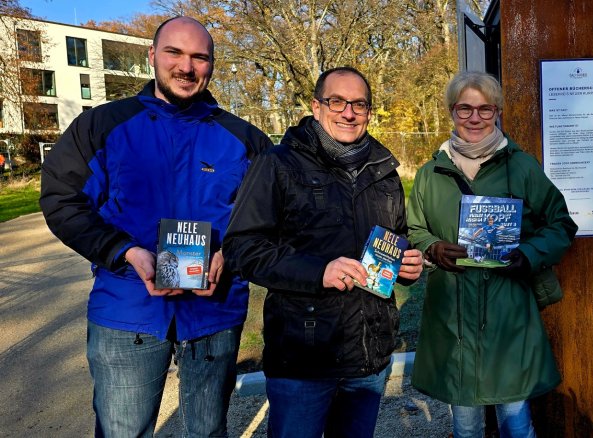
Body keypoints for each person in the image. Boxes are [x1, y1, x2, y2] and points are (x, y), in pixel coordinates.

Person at [39, 16, 272, 437]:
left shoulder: (245, 139)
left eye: (199, 57)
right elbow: (62, 199)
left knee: (207, 431)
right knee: (124, 432)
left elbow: (272, 215)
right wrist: (124, 251)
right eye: (174, 52)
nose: (186, 66)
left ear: (212, 64)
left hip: (214, 310)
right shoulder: (103, 126)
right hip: (127, 307)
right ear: (151, 55)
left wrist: (232, 253)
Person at [222, 66, 424, 438]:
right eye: (337, 102)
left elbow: (395, 239)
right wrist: (319, 272)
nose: (349, 112)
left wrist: (407, 264)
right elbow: (241, 248)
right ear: (316, 107)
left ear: (368, 112)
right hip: (304, 359)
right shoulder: (278, 164)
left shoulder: (384, 172)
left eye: (359, 104)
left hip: (367, 356)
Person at [407, 71, 577, 438]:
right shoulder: (430, 174)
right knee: (466, 427)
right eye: (464, 109)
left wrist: (528, 254)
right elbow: (414, 228)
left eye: (485, 109)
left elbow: (561, 224)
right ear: (452, 112)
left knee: (517, 424)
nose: (475, 118)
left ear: (497, 112)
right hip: (452, 318)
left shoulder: (522, 167)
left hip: (507, 314)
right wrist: (432, 247)